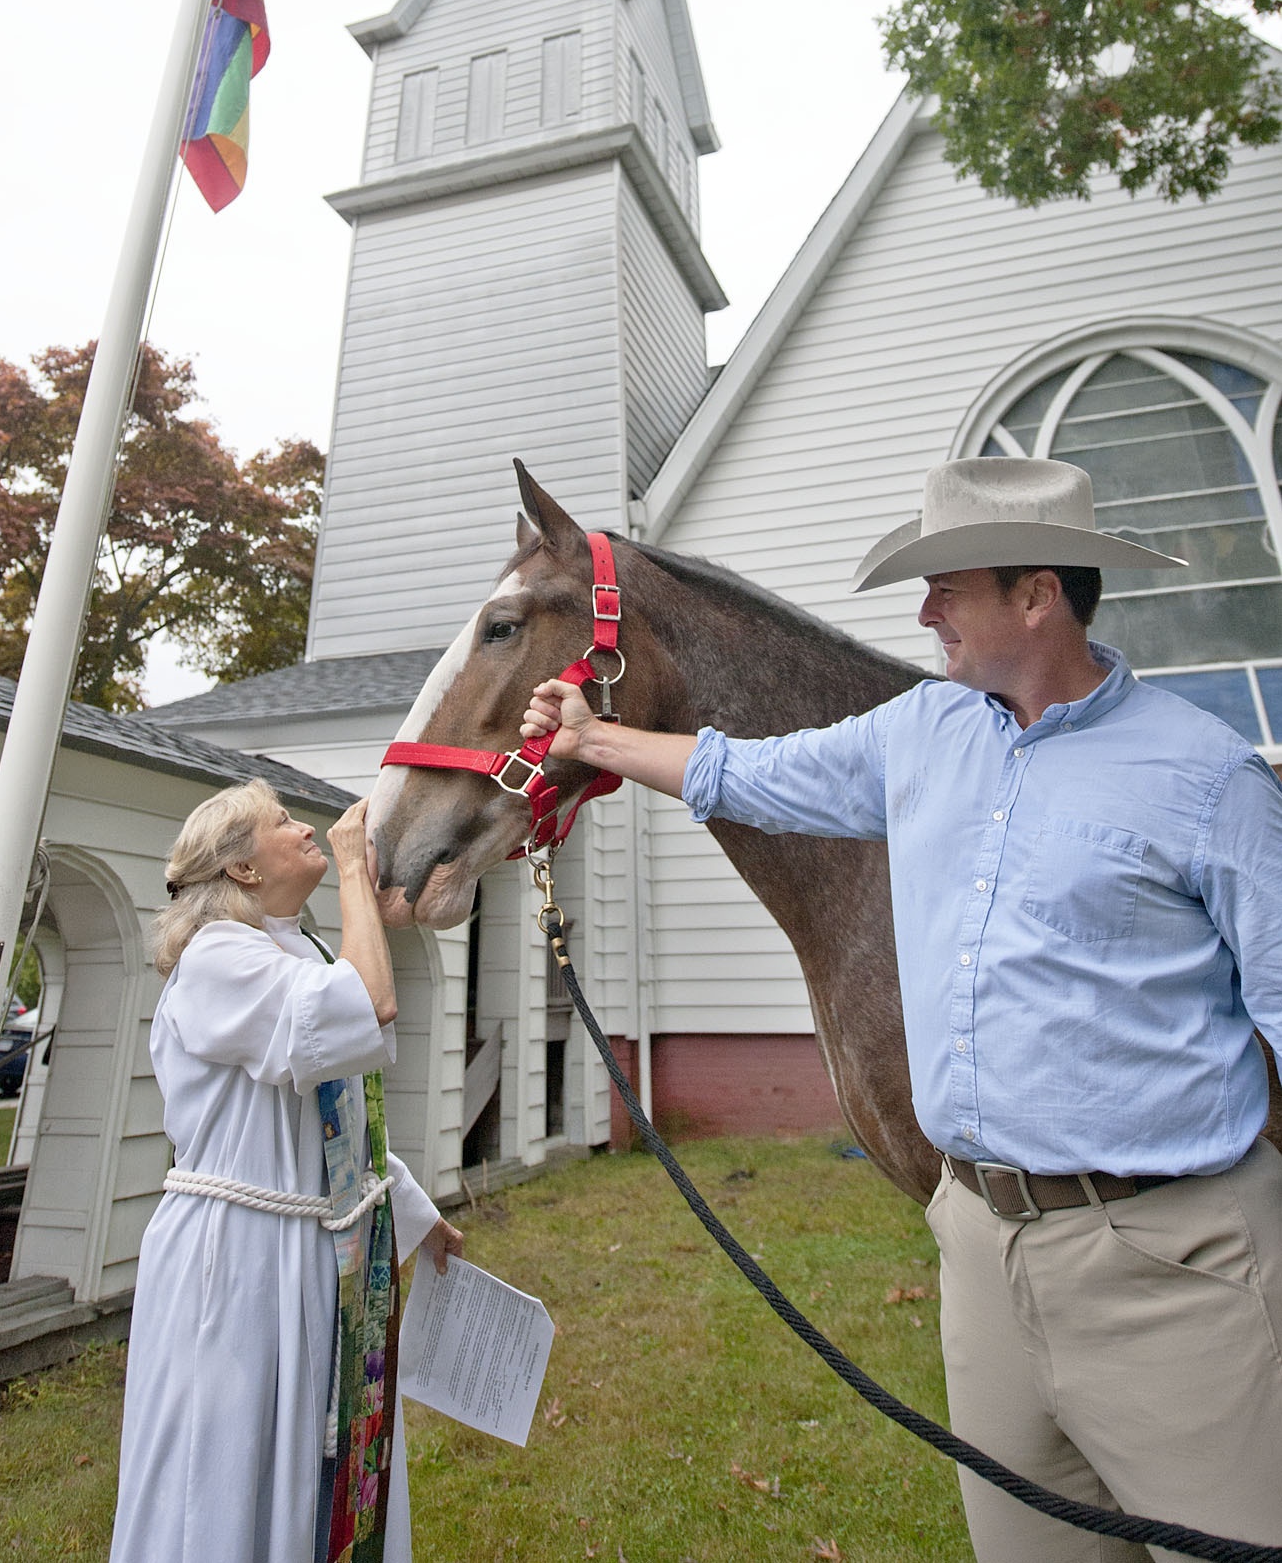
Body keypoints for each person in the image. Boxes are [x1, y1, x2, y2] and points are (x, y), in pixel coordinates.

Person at [521, 458, 1282, 1560]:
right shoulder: (921, 729)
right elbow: (749, 773)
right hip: (980, 1248)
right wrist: (593, 739)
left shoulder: (1210, 779)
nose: (922, 612)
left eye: (947, 586)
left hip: (1169, 1263)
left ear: (1038, 597)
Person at [109, 778, 463, 1563]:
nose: (307, 828)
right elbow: (370, 1004)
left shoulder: (295, 950)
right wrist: (350, 875)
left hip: (307, 1247)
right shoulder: (217, 959)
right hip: (236, 1260)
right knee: (226, 1468)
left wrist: (412, 1211)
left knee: (320, 1458)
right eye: (282, 823)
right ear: (238, 869)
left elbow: (332, 1112)